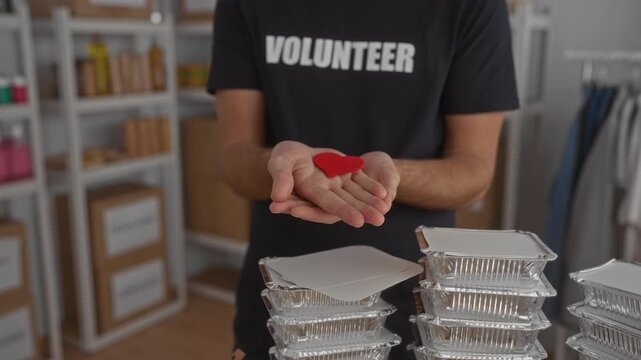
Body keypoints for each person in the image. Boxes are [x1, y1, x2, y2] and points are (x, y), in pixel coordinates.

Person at [208, 0, 519, 358]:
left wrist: (388, 174)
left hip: (411, 300)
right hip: (282, 299)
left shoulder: (472, 6)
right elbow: (233, 159)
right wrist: (278, 165)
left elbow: (475, 171)